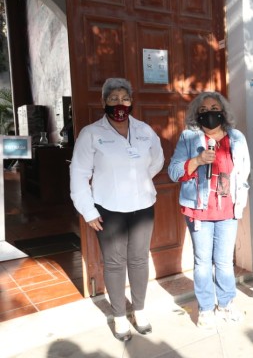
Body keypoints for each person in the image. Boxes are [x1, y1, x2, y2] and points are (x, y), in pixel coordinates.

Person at [70, 78, 164, 341]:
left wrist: (139, 179)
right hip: (108, 209)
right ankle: (120, 316)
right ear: (104, 103)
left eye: (124, 98)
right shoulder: (91, 134)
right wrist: (88, 211)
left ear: (131, 102)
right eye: (113, 99)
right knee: (114, 263)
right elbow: (78, 173)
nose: (119, 103)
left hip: (143, 205)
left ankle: (140, 311)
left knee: (138, 259)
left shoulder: (145, 130)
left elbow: (157, 160)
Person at [168, 92, 250, 327]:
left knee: (224, 261)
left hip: (228, 210)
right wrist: (197, 160)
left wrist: (239, 201)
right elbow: (174, 172)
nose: (210, 113)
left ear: (223, 112)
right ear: (197, 115)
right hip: (199, 210)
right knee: (203, 261)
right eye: (203, 110)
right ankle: (205, 309)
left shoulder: (236, 137)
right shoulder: (189, 137)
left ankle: (226, 304)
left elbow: (244, 171)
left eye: (214, 108)